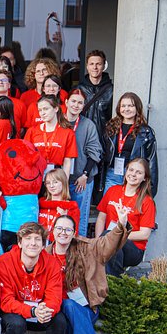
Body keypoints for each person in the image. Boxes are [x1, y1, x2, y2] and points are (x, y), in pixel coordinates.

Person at [47, 213, 128, 334]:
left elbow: (106, 245)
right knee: (68, 309)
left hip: (86, 308)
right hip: (57, 308)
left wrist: (120, 225)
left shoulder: (85, 248)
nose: (63, 232)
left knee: (72, 317)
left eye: (68, 229)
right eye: (59, 228)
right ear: (52, 231)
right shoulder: (45, 254)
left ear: (74, 232)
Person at [0, 222, 66, 334]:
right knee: (16, 323)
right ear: (20, 242)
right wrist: (31, 311)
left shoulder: (51, 263)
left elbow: (55, 296)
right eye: (28, 239)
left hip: (40, 311)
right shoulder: (4, 262)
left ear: (43, 245)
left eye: (37, 239)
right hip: (15, 312)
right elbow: (5, 300)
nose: (33, 243)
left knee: (59, 321)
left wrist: (46, 311)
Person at [96, 158, 156, 276]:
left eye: (139, 172)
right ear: (126, 171)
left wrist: (116, 235)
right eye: (131, 170)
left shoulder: (147, 201)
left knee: (113, 240)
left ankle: (112, 281)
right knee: (109, 241)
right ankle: (112, 280)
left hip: (133, 248)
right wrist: (99, 240)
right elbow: (101, 218)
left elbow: (144, 234)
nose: (133, 174)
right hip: (108, 241)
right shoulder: (112, 190)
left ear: (145, 178)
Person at [100, 92, 159, 195]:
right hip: (112, 175)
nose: (126, 109)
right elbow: (102, 153)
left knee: (130, 204)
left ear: (137, 108)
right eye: (123, 106)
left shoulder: (145, 132)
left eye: (130, 106)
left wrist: (151, 189)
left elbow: (152, 160)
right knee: (111, 204)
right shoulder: (111, 128)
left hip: (134, 176)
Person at [63, 90, 102, 235]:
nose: (76, 105)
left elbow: (95, 152)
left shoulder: (88, 125)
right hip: (60, 180)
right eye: (73, 101)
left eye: (80, 103)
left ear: (83, 106)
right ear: (66, 102)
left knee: (79, 219)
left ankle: (79, 248)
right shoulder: (58, 121)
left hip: (81, 179)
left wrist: (85, 175)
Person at [76, 50, 114, 142]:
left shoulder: (112, 90)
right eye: (91, 64)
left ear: (104, 66)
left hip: (104, 139)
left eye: (98, 64)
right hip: (82, 137)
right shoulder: (78, 89)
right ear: (87, 66)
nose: (95, 67)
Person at [38, 168, 80, 236]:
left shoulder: (71, 207)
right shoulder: (40, 204)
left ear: (63, 183)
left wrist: (66, 219)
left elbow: (73, 234)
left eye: (55, 182)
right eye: (48, 183)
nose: (51, 186)